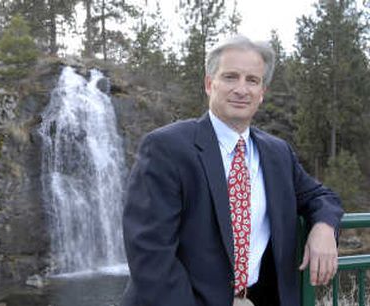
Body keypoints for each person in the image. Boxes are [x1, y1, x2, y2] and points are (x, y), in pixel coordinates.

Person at [120, 35, 344, 306]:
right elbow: (150, 253)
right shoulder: (166, 148)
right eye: (230, 77)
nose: (242, 89)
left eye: (252, 80)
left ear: (262, 93)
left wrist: (324, 227)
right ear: (208, 83)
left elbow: (322, 197)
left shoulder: (277, 153)